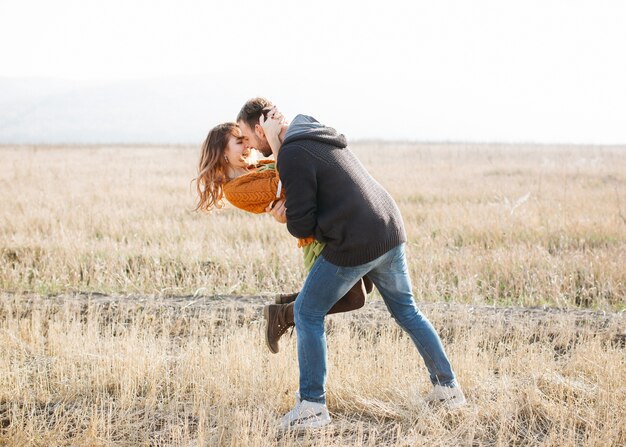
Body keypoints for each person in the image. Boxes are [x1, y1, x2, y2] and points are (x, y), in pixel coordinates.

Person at [236, 97, 466, 431]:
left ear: (260, 128)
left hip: (356, 239)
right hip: (387, 227)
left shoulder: (293, 153)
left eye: (249, 137)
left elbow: (301, 225)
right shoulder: (313, 132)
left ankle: (312, 406)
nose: (253, 148)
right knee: (408, 311)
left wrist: (281, 214)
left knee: (306, 311)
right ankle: (448, 388)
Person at [194, 120, 372, 354]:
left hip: (328, 226)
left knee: (364, 287)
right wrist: (277, 144)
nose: (248, 146)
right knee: (354, 298)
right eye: (240, 142)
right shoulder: (236, 189)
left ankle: (286, 303)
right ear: (223, 154)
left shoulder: (256, 166)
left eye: (246, 140)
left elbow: (292, 168)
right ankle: (282, 314)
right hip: (316, 240)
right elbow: (288, 180)